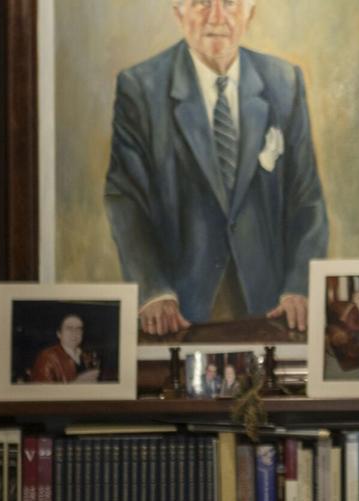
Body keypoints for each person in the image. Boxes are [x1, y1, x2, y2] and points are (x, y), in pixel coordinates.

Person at [105, 0, 328, 336]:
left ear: (250, 12)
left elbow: (308, 200)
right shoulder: (140, 87)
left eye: (229, 2)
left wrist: (299, 286)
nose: (217, 17)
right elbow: (125, 200)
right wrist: (154, 290)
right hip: (177, 310)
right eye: (202, 2)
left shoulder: (285, 83)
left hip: (271, 307)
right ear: (178, 11)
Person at [30, 314, 100, 383]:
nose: (74, 333)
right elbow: (41, 389)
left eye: (78, 329)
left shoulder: (88, 355)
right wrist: (75, 384)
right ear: (59, 334)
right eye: (69, 328)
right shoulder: (47, 357)